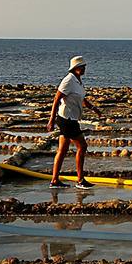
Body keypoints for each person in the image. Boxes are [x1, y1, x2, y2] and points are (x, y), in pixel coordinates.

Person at [47, 55, 103, 188]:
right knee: (82, 146)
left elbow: (81, 99)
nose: (84, 69)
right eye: (82, 67)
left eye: (84, 66)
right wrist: (51, 120)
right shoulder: (68, 81)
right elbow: (56, 99)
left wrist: (93, 108)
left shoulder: (78, 81)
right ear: (75, 68)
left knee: (62, 149)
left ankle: (54, 180)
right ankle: (80, 180)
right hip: (67, 119)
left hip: (70, 118)